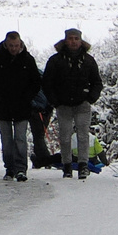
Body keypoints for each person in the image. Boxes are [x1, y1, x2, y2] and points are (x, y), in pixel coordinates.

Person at [42, 27, 103, 179]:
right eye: (70, 38)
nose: (73, 41)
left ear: (81, 41)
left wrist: (90, 98)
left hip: (82, 104)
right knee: (65, 136)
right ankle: (67, 165)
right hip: (63, 105)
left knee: (83, 136)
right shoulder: (55, 60)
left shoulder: (88, 60)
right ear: (65, 40)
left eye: (76, 38)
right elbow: (47, 83)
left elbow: (97, 82)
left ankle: (83, 165)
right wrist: (54, 101)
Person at [0, 30, 42, 181]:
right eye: (11, 45)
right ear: (6, 44)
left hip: (22, 107)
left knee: (20, 139)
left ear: (20, 44)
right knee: (7, 141)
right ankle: (9, 168)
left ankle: (21, 169)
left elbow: (36, 82)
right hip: (3, 107)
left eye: (16, 45)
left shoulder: (28, 60)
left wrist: (28, 97)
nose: (13, 48)